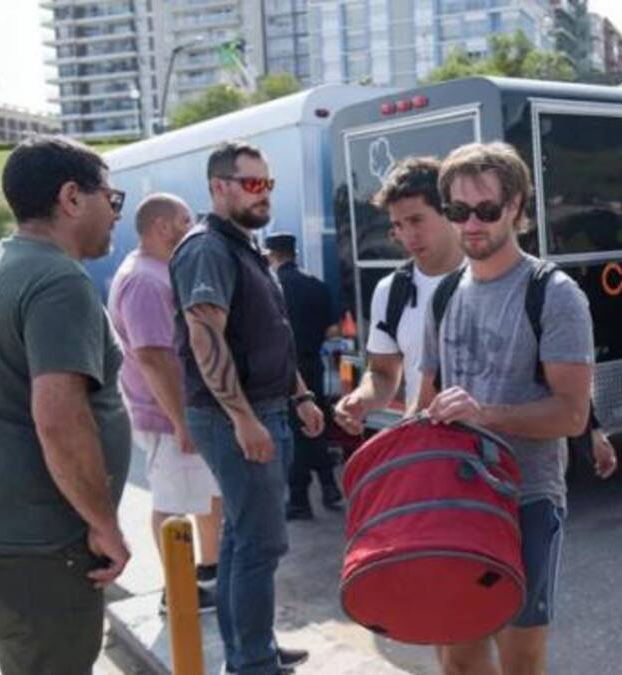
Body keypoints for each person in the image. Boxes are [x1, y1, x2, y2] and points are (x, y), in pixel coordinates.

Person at [0, 136, 131, 675]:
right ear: (72, 198)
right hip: (37, 542)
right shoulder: (58, 279)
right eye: (112, 198)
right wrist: (104, 524)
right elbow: (60, 419)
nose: (116, 214)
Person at [415, 142, 594, 675]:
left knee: (521, 661)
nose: (471, 224)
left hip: (527, 500)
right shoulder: (444, 294)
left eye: (486, 209)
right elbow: (424, 400)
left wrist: (484, 415)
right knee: (458, 659)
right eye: (458, 210)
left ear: (515, 206)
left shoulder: (554, 294)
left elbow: (572, 416)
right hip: (456, 498)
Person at [170, 141, 324, 675]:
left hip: (266, 408)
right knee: (261, 544)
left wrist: (300, 394)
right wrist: (243, 419)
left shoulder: (243, 246)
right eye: (253, 184)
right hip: (236, 415)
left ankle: (251, 648)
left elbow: (271, 334)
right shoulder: (207, 249)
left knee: (241, 537)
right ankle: (253, 662)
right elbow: (205, 337)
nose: (264, 194)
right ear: (219, 187)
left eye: (268, 184)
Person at [109, 193, 223, 612]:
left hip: (179, 411)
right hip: (167, 415)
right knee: (172, 504)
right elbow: (154, 357)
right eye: (185, 221)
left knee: (205, 495)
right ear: (162, 226)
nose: (192, 229)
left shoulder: (156, 271)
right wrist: (181, 420)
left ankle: (208, 572)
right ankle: (178, 593)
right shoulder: (144, 281)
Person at [333, 157, 463, 435]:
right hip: (426, 446)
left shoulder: (489, 278)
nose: (408, 235)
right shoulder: (391, 291)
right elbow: (382, 373)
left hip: (495, 450)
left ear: (449, 212)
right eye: (398, 225)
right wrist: (361, 400)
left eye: (416, 220)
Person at [264, 232, 342, 520]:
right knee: (315, 426)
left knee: (295, 434)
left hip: (285, 369)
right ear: (294, 253)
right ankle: (329, 485)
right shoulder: (317, 286)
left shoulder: (271, 287)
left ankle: (299, 500)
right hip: (313, 364)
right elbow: (331, 329)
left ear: (272, 255)